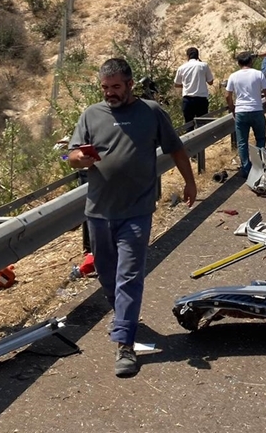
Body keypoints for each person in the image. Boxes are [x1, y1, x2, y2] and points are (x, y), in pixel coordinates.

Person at [67, 58, 197, 378]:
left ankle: (125, 343)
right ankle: (123, 316)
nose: (109, 93)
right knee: (107, 274)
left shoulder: (150, 112)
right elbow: (72, 156)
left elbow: (176, 148)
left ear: (130, 84)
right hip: (98, 211)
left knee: (129, 275)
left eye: (116, 87)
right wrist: (79, 159)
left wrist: (190, 181)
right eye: (105, 87)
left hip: (137, 211)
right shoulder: (91, 115)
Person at [225, 52, 266, 176]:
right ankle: (259, 166)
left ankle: (246, 169)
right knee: (260, 139)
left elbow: (227, 95)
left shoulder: (233, 76)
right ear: (251, 61)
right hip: (256, 110)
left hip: (241, 111)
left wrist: (232, 108)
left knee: (242, 142)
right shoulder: (258, 74)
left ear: (238, 63)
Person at [173, 47, 215, 129]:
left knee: (189, 125)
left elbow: (176, 84)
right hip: (201, 99)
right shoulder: (204, 65)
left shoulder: (182, 68)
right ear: (197, 55)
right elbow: (210, 82)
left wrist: (186, 85)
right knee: (202, 126)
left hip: (188, 100)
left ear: (187, 56)